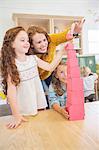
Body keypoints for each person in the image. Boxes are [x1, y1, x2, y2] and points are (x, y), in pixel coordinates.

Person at [0, 26, 66, 129]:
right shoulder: (12, 65)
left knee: (42, 129)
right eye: (22, 40)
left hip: (39, 104)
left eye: (27, 40)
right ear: (12, 44)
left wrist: (61, 52)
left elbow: (50, 67)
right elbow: (11, 94)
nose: (27, 43)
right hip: (23, 109)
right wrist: (17, 116)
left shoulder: (33, 59)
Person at [27, 18, 85, 108]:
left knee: (52, 94)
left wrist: (75, 30)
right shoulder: (30, 55)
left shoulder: (51, 40)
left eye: (44, 40)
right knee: (39, 100)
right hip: (35, 77)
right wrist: (61, 51)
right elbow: (48, 67)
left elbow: (65, 35)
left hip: (48, 73)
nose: (43, 44)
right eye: (38, 42)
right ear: (31, 45)